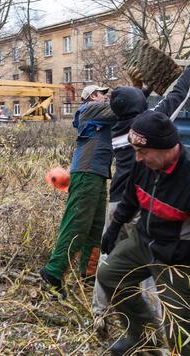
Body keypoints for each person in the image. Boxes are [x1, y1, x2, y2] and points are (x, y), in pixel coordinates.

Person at [92, 43, 190, 321]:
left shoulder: (119, 128)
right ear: (140, 109)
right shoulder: (149, 124)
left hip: (117, 202)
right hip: (140, 202)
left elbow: (134, 103)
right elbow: (179, 94)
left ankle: (99, 313)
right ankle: (153, 322)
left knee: (110, 258)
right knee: (151, 261)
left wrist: (140, 88)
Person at [97, 111, 190, 356]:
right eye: (135, 151)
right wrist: (115, 226)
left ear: (167, 148)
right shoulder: (143, 165)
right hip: (144, 241)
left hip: (179, 259)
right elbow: (132, 196)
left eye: (143, 152)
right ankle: (142, 337)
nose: (138, 158)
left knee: (181, 331)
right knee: (110, 276)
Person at [39, 84, 117, 297]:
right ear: (92, 96)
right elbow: (120, 107)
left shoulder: (100, 114)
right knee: (77, 224)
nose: (105, 96)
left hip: (98, 174)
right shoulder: (89, 109)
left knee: (95, 227)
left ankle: (89, 275)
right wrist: (134, 94)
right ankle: (53, 272)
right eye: (103, 93)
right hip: (86, 173)